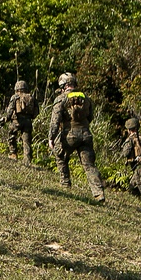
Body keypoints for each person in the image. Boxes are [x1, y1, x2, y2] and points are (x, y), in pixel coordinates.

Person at [48, 72, 105, 203]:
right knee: (89, 165)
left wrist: (51, 137)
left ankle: (65, 185)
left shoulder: (61, 99)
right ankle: (98, 193)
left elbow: (55, 120)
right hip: (86, 134)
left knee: (61, 157)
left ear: (63, 85)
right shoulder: (86, 98)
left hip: (69, 135)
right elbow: (90, 117)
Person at [0, 80, 39, 163]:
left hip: (17, 121)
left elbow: (10, 110)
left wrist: (6, 118)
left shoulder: (15, 97)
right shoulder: (31, 97)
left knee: (11, 136)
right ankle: (27, 159)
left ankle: (13, 153)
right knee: (27, 140)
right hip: (28, 121)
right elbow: (36, 111)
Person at [119, 117, 141, 195]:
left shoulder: (130, 139)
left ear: (129, 129)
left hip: (137, 164)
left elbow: (125, 153)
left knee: (133, 185)